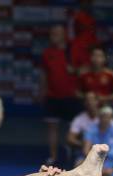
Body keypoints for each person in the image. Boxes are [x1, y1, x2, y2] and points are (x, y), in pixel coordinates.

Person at [41, 24, 79, 165]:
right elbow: (43, 74)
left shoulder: (73, 51)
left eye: (57, 33)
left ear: (64, 34)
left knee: (73, 128)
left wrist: (75, 70)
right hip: (52, 96)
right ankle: (53, 157)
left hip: (71, 96)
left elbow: (83, 68)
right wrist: (42, 91)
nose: (53, 35)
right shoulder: (47, 53)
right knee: (52, 128)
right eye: (52, 33)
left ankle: (70, 154)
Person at [66, 91, 100, 166]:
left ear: (97, 101)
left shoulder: (105, 118)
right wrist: (84, 144)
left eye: (92, 99)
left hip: (104, 152)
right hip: (84, 152)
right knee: (78, 165)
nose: (90, 102)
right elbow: (70, 138)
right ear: (84, 103)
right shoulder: (79, 119)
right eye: (87, 100)